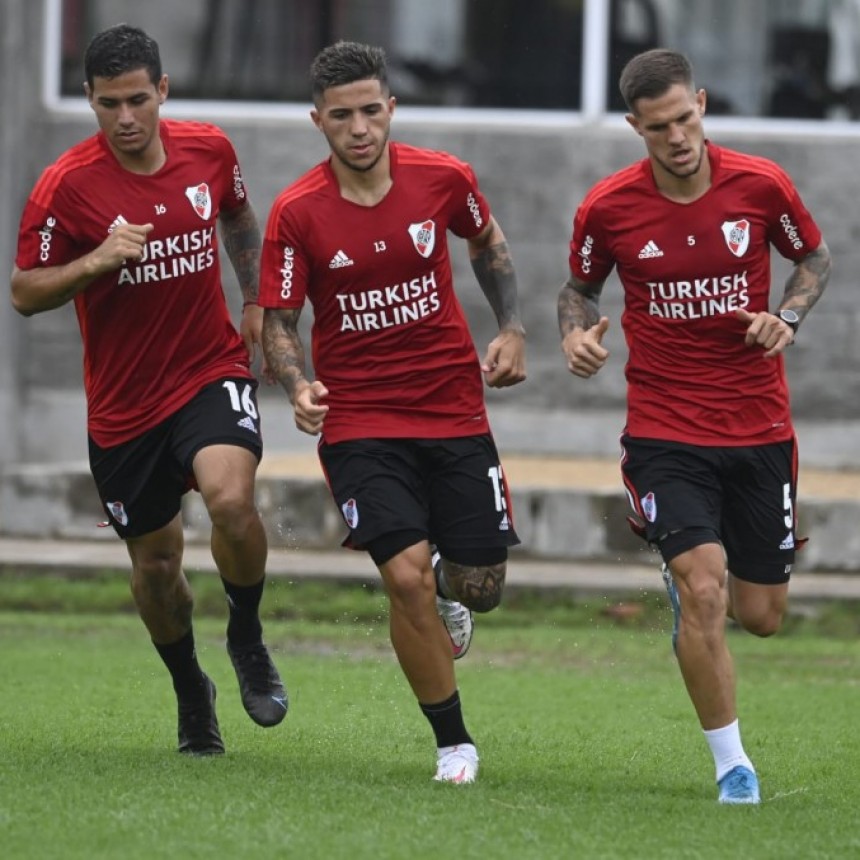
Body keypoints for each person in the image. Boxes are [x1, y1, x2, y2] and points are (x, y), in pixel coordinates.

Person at [557, 49, 831, 804]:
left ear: (702, 104)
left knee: (761, 615)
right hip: (664, 427)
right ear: (634, 127)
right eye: (658, 127)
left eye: (684, 119)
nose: (676, 137)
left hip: (759, 426)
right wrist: (576, 335)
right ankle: (732, 766)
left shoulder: (761, 184)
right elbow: (577, 291)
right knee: (703, 588)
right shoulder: (609, 207)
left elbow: (814, 258)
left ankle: (696, 586)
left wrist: (788, 316)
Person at [11, 24, 287, 755]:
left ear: (162, 91)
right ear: (90, 101)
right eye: (109, 104)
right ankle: (190, 689)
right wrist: (95, 260)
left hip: (208, 370)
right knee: (157, 567)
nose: (126, 117)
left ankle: (248, 637)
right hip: (124, 406)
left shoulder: (208, 149)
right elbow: (24, 292)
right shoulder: (66, 186)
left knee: (231, 499)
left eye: (138, 99)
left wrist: (256, 298)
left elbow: (236, 213)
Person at [259, 41, 526, 784]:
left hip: (453, 410)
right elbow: (278, 320)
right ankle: (454, 743)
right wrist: (296, 384)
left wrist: (510, 327)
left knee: (483, 587)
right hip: (360, 423)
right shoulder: (297, 212)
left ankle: (450, 581)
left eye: (371, 111)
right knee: (401, 578)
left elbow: (487, 241)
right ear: (318, 121)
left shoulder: (444, 179)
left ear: (391, 110)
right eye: (341, 116)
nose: (359, 128)